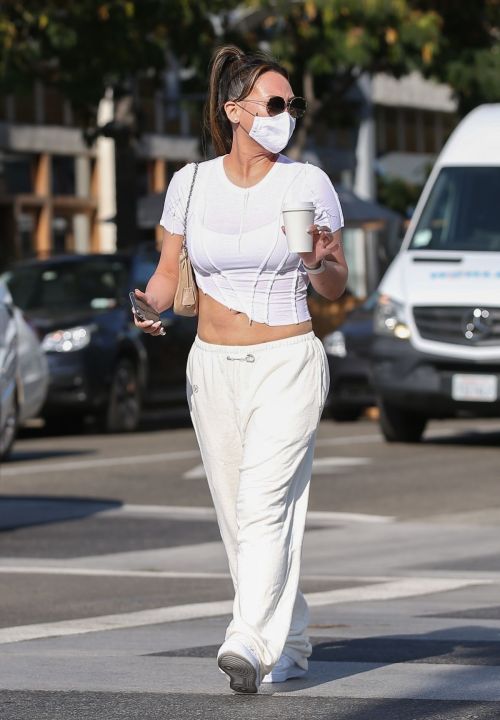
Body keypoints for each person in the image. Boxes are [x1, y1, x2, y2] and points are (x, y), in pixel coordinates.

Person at [133, 44, 347, 694]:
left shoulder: (306, 182)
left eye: (291, 105)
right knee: (239, 516)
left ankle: (248, 642)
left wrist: (316, 261)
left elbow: (336, 284)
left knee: (262, 504)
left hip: (287, 361)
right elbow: (170, 274)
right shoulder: (190, 183)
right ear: (234, 110)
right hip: (213, 367)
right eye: (275, 103)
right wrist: (146, 304)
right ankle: (294, 630)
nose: (287, 115)